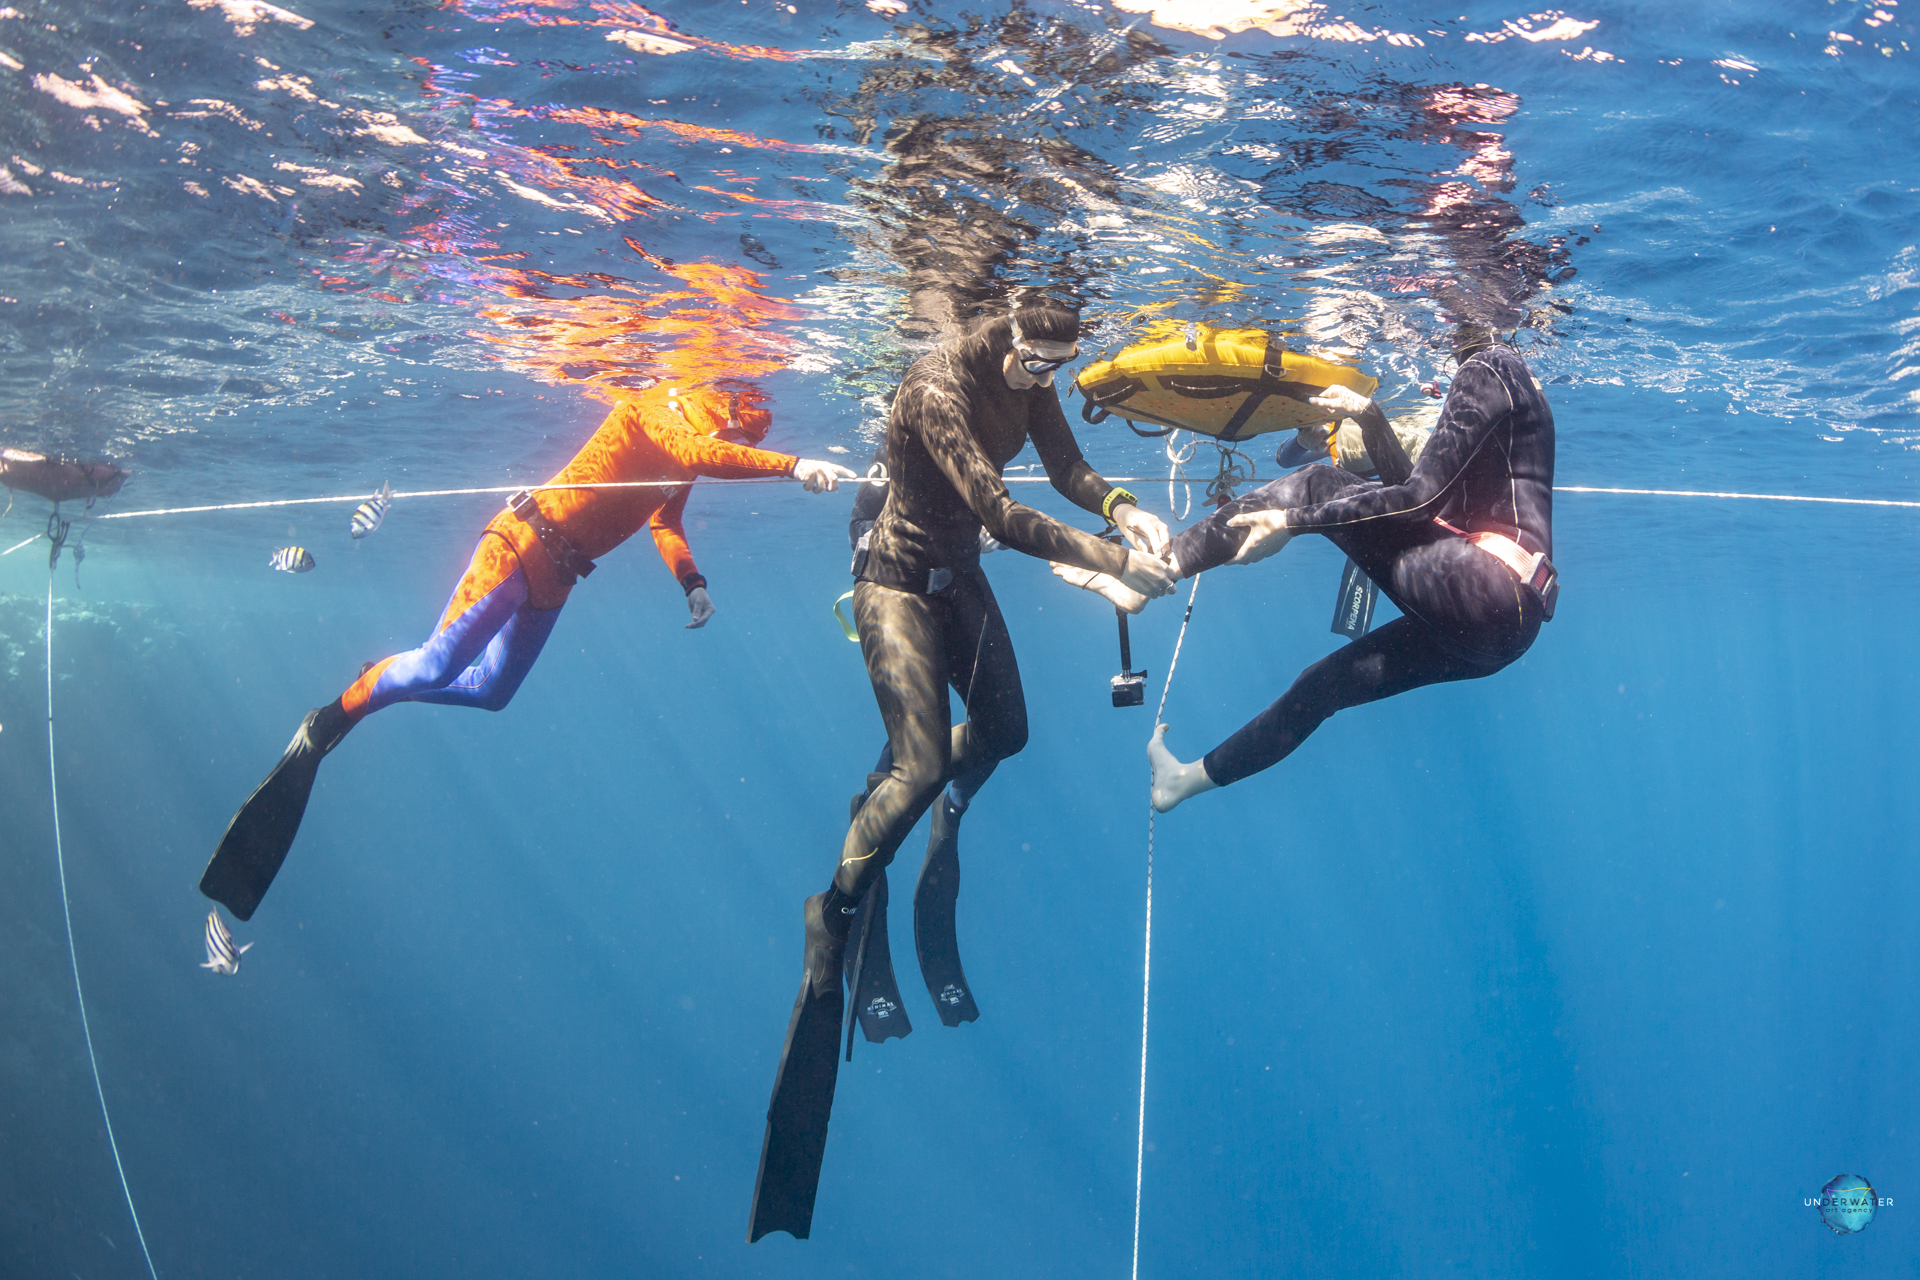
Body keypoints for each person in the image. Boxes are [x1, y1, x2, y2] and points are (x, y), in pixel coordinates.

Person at [749, 303, 1178, 1243]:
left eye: (1056, 368)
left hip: (956, 583)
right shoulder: (937, 385)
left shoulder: (1035, 377)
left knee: (1007, 732)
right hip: (894, 586)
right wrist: (1111, 561)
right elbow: (1000, 513)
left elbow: (1064, 470)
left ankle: (917, 799)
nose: (1042, 380)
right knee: (917, 764)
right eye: (1034, 364)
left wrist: (1120, 506)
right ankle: (834, 908)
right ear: (1009, 337)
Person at [199, 382, 855, 922]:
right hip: (520, 542)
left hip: (558, 575)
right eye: (740, 435)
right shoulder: (652, 411)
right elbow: (697, 450)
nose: (738, 446)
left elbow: (665, 520)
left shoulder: (686, 450)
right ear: (721, 407)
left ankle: (385, 680)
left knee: (491, 693)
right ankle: (328, 721)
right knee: (438, 666)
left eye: (748, 444)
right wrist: (793, 466)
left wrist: (693, 584)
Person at [1139, 328, 1557, 812]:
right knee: (1324, 685)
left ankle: (1158, 566)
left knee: (1316, 482)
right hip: (1506, 623)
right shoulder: (1510, 380)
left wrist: (1292, 521)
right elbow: (1422, 506)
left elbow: (1416, 501)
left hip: (1489, 591)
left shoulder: (1486, 368)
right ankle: (1183, 782)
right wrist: (1370, 418)